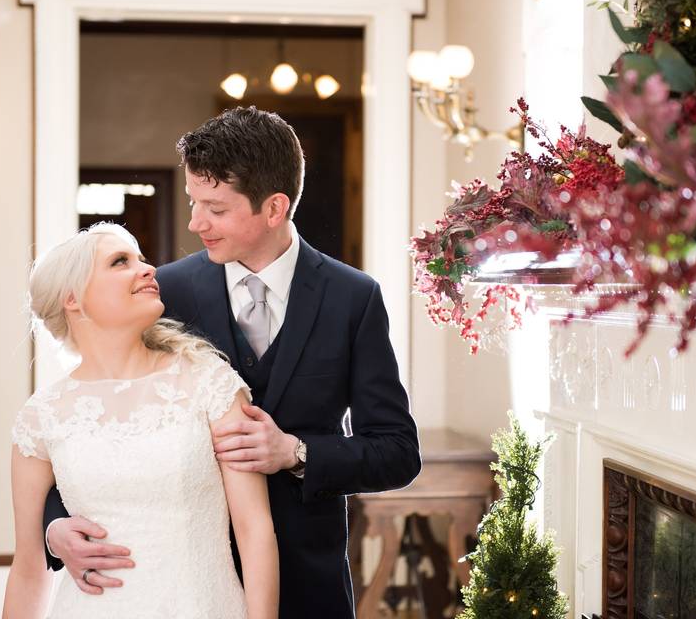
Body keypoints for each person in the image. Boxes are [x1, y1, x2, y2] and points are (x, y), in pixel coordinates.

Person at [43, 106, 422, 617]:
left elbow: (398, 452)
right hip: (182, 582)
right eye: (193, 202)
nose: (196, 222)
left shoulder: (353, 298)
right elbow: (86, 417)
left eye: (215, 209)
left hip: (307, 582)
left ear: (274, 208)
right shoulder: (163, 293)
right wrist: (55, 525)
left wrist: (296, 452)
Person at [3, 224, 278, 618]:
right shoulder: (41, 417)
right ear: (72, 299)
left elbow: (255, 531)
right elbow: (29, 569)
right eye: (120, 262)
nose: (148, 269)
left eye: (141, 259)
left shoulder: (208, 381)